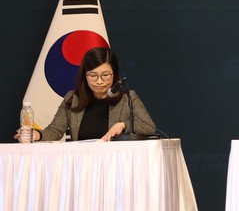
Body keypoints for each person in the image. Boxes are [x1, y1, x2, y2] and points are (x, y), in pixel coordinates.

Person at [14, 47, 157, 142]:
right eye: (93, 75)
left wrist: (123, 125)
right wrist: (38, 135)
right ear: (84, 75)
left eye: (105, 75)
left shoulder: (127, 98)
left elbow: (149, 127)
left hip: (115, 165)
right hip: (81, 165)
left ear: (114, 74)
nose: (99, 81)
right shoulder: (72, 99)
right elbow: (55, 130)